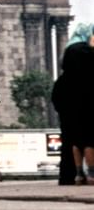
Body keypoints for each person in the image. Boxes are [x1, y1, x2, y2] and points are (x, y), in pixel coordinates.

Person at [52, 23, 94, 184]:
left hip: (68, 108)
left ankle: (74, 175)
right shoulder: (85, 51)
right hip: (86, 105)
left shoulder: (69, 55)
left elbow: (56, 96)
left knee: (72, 142)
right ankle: (91, 174)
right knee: (89, 140)